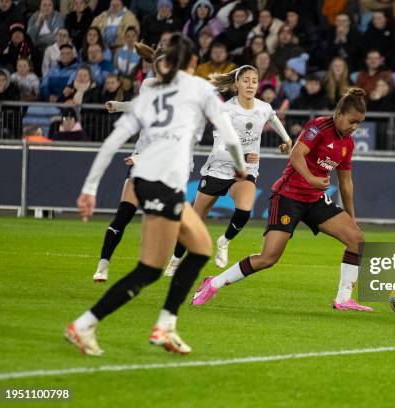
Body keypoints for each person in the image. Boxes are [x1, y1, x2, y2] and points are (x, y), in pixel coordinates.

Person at [65, 33, 246, 356]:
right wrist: (241, 166)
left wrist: (90, 188)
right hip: (162, 183)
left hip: (147, 180)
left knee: (176, 257)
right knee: (180, 256)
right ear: (192, 62)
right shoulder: (198, 89)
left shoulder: (151, 93)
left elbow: (114, 138)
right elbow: (230, 136)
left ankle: (133, 325)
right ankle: (146, 325)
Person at [190, 88, 374, 312]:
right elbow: (296, 155)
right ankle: (214, 283)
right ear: (339, 114)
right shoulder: (318, 127)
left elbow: (346, 182)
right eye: (353, 121)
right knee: (268, 258)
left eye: (359, 124)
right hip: (289, 196)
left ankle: (344, 299)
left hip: (315, 199)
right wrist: (311, 179)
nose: (355, 127)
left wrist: (351, 217)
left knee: (357, 240)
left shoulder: (348, 144)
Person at [165, 65, 292, 274]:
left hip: (245, 171)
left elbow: (273, 118)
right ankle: (176, 258)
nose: (250, 84)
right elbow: (219, 151)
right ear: (236, 84)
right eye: (246, 80)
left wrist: (287, 139)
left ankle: (224, 241)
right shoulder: (226, 110)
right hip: (218, 170)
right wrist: (242, 156)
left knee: (244, 209)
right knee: (196, 220)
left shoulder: (264, 108)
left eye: (254, 80)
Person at [92, 43, 162, 282]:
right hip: (141, 158)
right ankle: (102, 265)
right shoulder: (149, 85)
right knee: (124, 214)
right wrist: (119, 106)